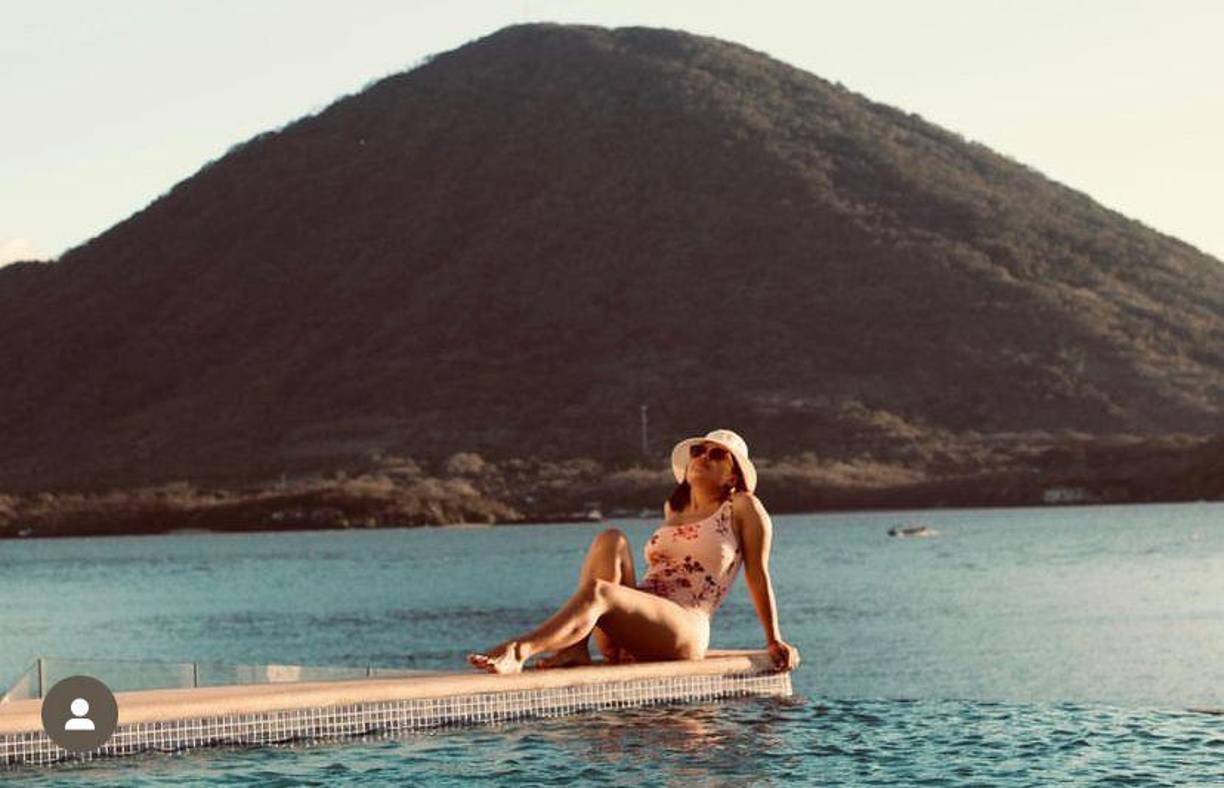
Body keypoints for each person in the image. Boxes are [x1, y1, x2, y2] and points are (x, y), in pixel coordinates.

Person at [467, 429, 800, 674]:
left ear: (733, 475)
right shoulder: (673, 509)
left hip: (683, 626)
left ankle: (519, 649)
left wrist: (774, 638)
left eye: (717, 455)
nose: (702, 457)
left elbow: (757, 573)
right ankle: (575, 648)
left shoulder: (743, 507)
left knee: (601, 592)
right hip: (637, 622)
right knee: (610, 538)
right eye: (699, 450)